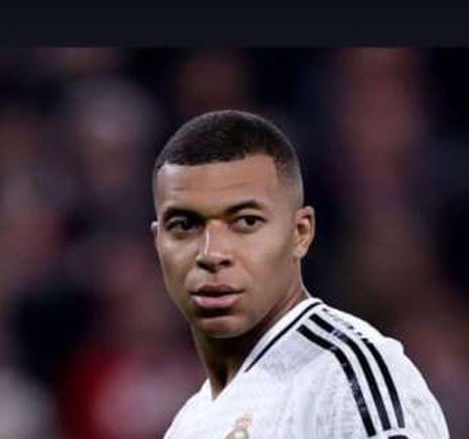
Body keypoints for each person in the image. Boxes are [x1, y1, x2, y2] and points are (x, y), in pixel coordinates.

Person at [151, 109, 448, 438]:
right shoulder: (188, 424)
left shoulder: (345, 380)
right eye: (184, 225)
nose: (211, 253)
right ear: (158, 241)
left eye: (246, 221)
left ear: (300, 233)